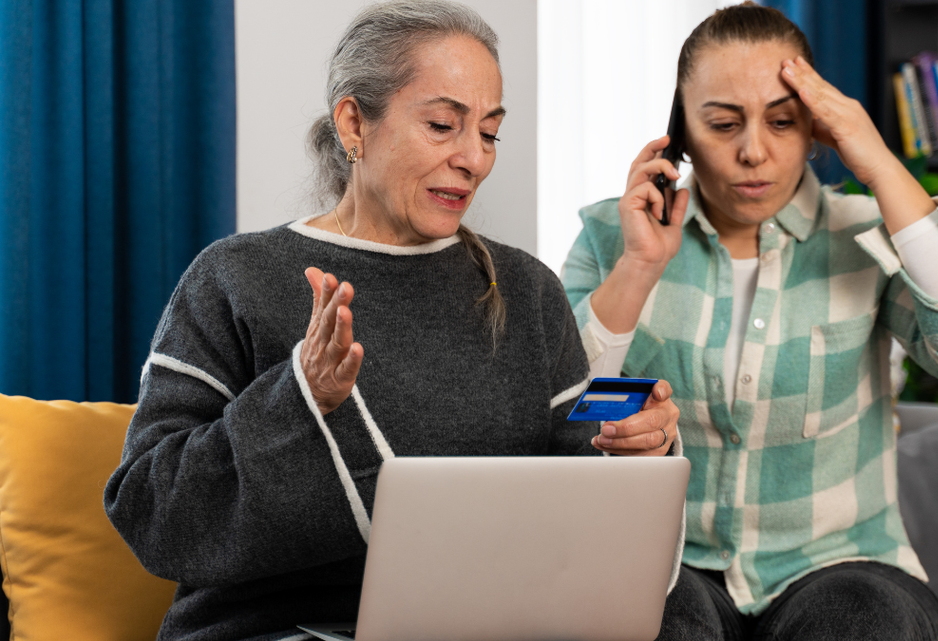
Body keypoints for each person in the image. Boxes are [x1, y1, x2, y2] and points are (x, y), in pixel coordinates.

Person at [103, 3, 685, 640]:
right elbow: (151, 513)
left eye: (489, 133)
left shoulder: (527, 291)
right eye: (443, 125)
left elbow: (585, 491)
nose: (475, 159)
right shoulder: (234, 278)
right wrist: (299, 399)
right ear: (354, 122)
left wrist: (637, 448)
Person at [561, 3, 938, 640]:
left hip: (843, 563)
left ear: (816, 128)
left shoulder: (868, 233)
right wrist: (640, 267)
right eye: (722, 124)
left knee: (860, 622)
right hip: (672, 560)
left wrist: (878, 163)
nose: (754, 152)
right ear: (681, 134)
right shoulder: (613, 235)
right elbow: (562, 409)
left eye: (782, 122)